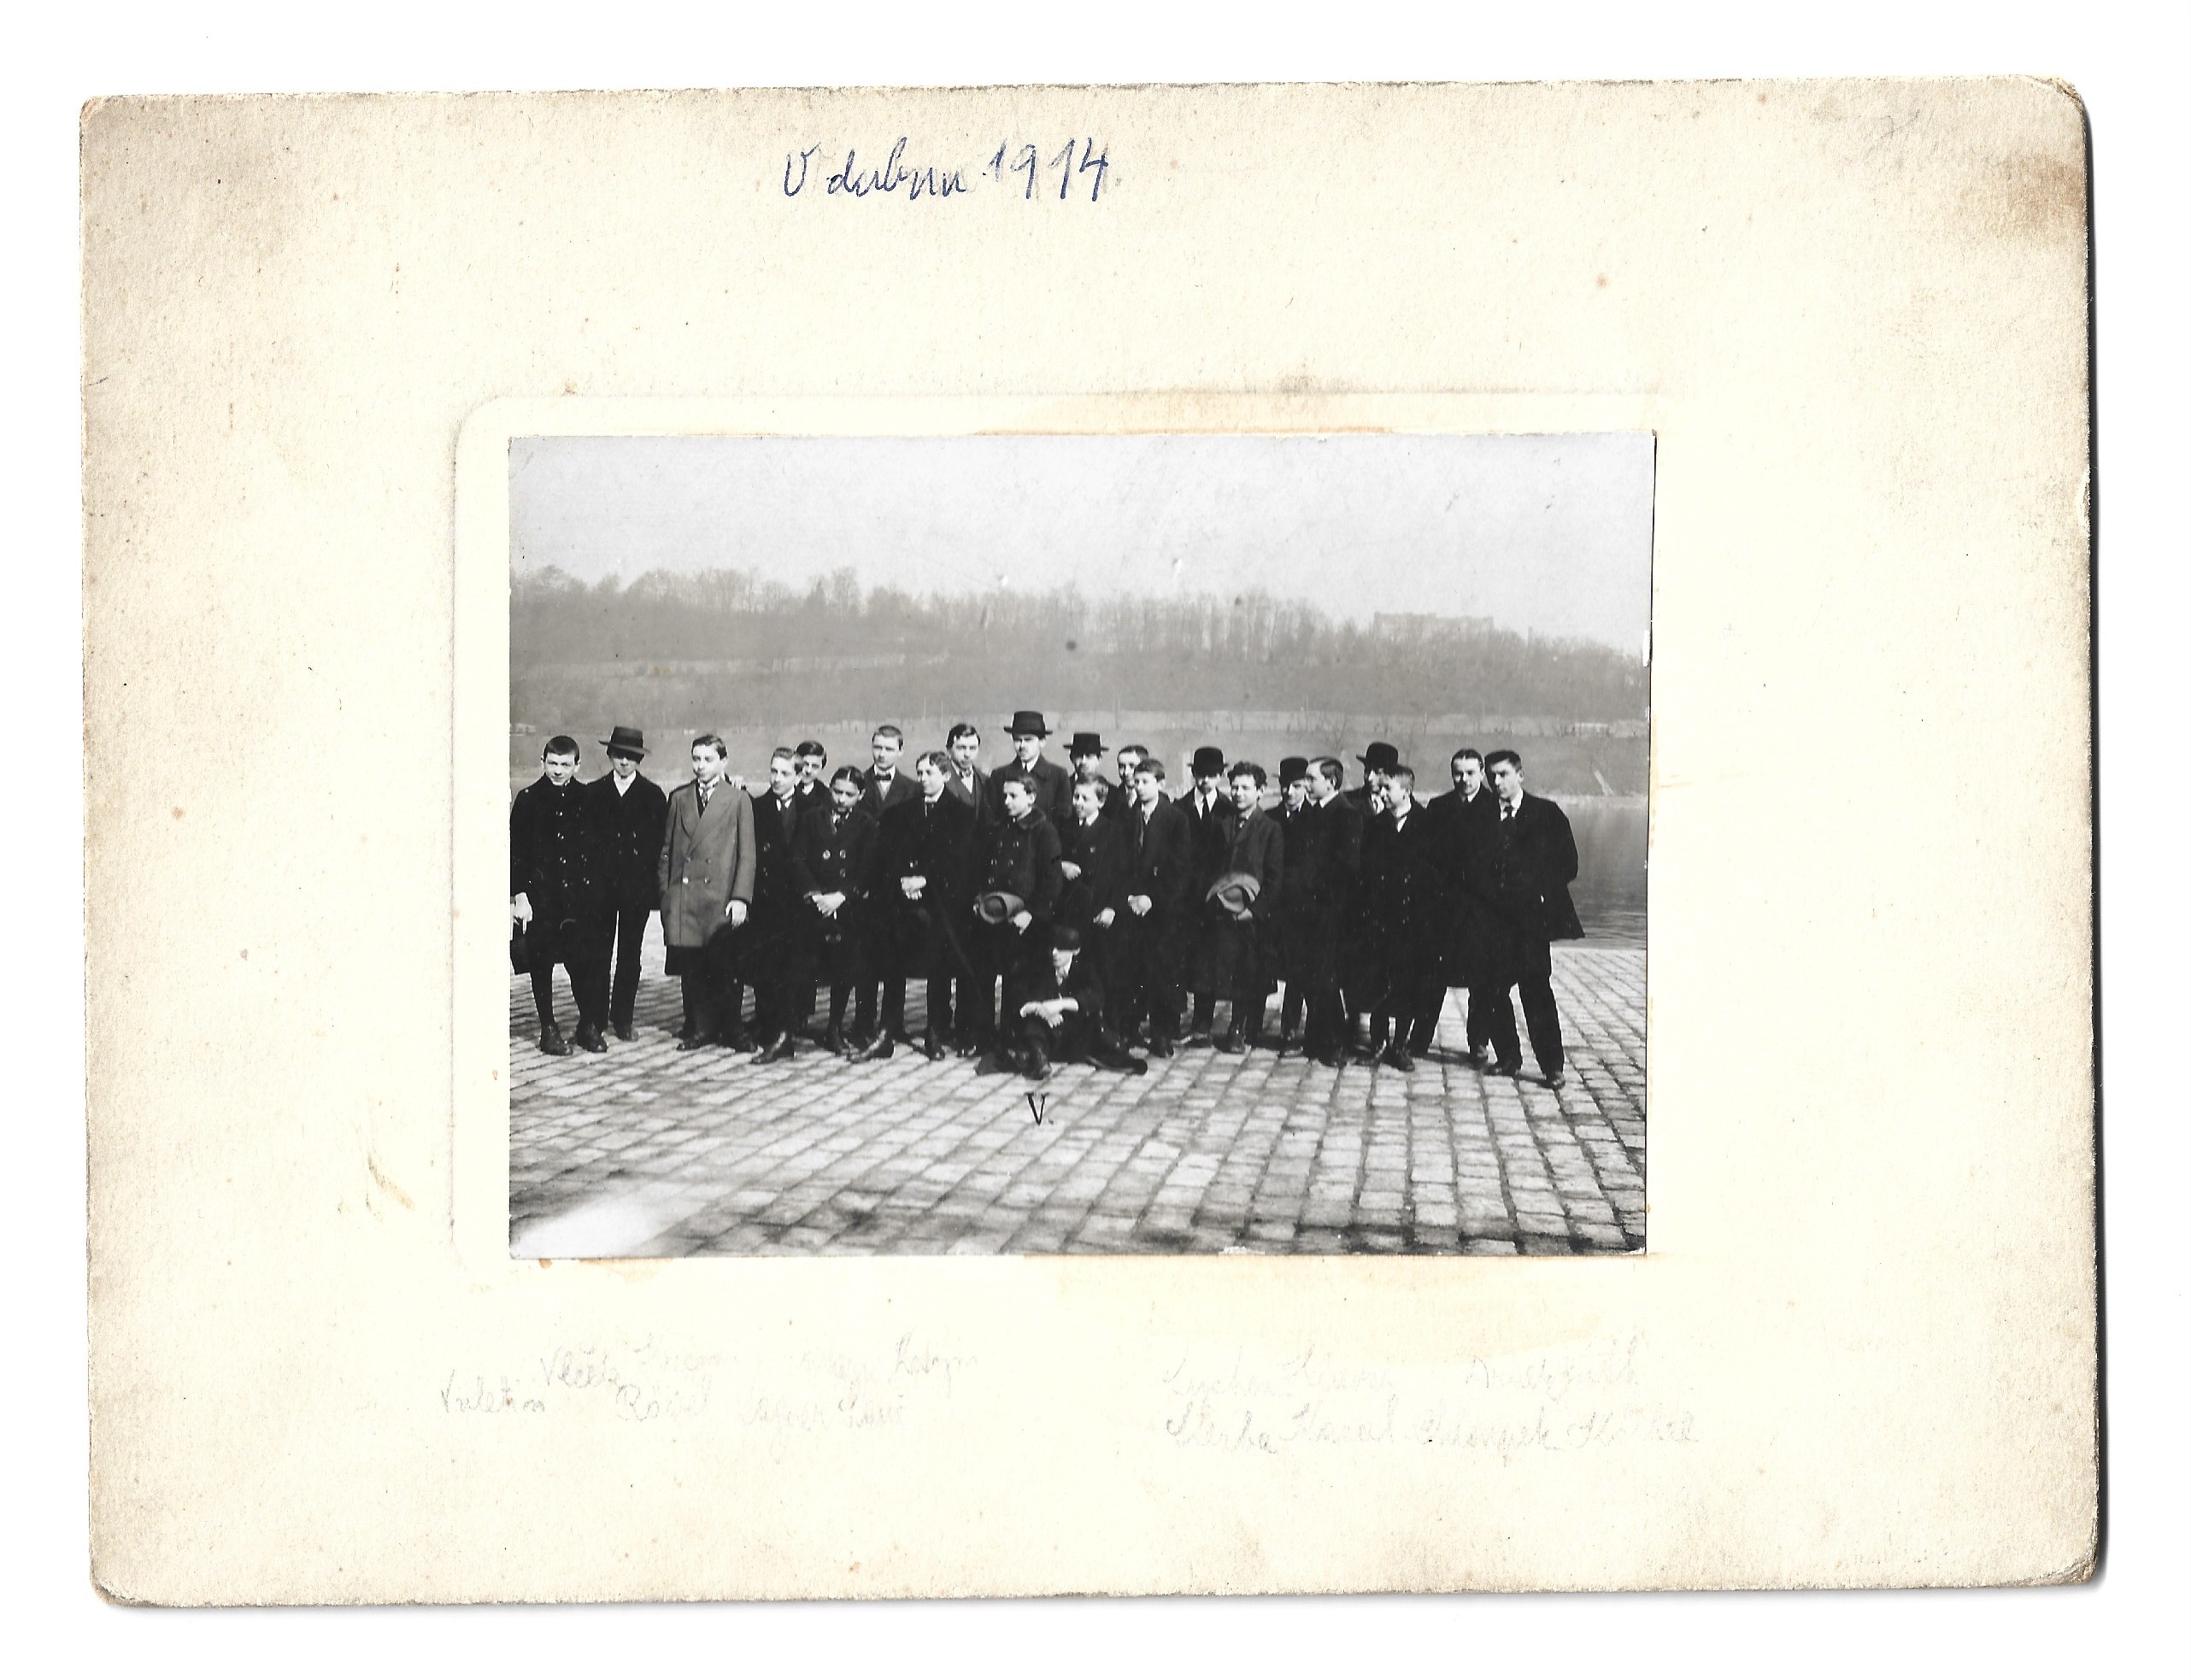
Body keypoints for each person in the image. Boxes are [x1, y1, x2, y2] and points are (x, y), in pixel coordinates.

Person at [1477, 749, 1585, 1089]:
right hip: (1493, 921)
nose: (1497, 782)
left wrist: (1538, 891)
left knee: (1536, 990)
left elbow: (1569, 864)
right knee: (1491, 991)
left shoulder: (1546, 813)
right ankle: (1508, 1057)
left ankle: (1552, 1066)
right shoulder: (1481, 817)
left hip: (1530, 923)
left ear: (1520, 776)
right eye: (1492, 776)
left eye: (1504, 775)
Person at [872, 749, 977, 1061]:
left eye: (929, 773)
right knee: (892, 950)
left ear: (945, 775)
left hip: (942, 902)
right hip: (904, 898)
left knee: (939, 955)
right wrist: (904, 881)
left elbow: (959, 861)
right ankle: (888, 1028)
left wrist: (926, 882)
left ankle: (935, 1029)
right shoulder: (902, 812)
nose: (923, 779)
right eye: (919, 773)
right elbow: (890, 855)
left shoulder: (962, 813)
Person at [656, 733, 757, 1052]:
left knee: (727, 967)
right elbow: (667, 851)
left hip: (721, 898)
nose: (701, 766)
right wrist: (667, 894)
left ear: (723, 762)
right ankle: (700, 1028)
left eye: (708, 759)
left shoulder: (738, 799)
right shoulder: (679, 798)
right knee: (693, 968)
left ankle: (732, 1029)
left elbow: (747, 854)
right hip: (685, 898)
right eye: (696, 759)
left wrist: (741, 897)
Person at [510, 736, 607, 1056]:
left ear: (577, 765)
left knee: (582, 963)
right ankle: (548, 1029)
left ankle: (587, 1025)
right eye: (552, 763)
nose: (558, 770)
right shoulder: (528, 800)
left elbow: (597, 852)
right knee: (542, 964)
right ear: (543, 762)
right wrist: (520, 896)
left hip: (578, 900)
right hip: (542, 900)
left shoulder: (588, 799)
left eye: (566, 764)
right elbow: (516, 854)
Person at [962, 767, 1063, 1060]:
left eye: (1013, 796)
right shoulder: (998, 828)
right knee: (981, 976)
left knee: (1017, 980)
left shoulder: (1044, 831)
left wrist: (1032, 913)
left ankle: (1015, 1036)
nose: (1006, 801)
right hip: (994, 914)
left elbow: (1051, 880)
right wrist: (980, 899)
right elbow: (983, 868)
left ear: (1031, 797)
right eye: (1004, 796)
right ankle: (982, 1036)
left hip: (1025, 920)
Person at [1354, 765, 1443, 1072]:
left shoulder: (1428, 824)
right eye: (1379, 788)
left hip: (1414, 922)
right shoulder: (1375, 825)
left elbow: (1436, 875)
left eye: (1387, 788)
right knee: (1380, 982)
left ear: (1406, 791)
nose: (1380, 793)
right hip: (1381, 920)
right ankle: (1378, 1044)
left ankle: (1400, 1045)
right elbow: (1365, 872)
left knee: (1409, 984)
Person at [583, 725, 669, 1043]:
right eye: (619, 755)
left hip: (636, 890)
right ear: (609, 755)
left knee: (630, 955)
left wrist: (649, 885)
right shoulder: (593, 793)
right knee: (599, 953)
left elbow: (658, 845)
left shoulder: (653, 796)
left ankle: (623, 1018)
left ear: (639, 760)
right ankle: (595, 1019)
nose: (624, 762)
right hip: (601, 890)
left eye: (631, 757)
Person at [793, 767, 882, 1055]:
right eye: (837, 792)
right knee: (800, 962)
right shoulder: (811, 819)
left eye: (849, 794)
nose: (841, 799)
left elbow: (868, 867)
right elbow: (798, 858)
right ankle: (789, 1027)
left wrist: (842, 896)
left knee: (845, 967)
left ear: (861, 795)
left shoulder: (867, 824)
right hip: (815, 903)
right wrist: (814, 894)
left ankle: (834, 1026)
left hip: (847, 906)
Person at [1419, 747, 1500, 1062]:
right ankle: (1420, 1038)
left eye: (1470, 773)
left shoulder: (1495, 807)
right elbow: (1427, 858)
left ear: (1481, 773)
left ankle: (1478, 1042)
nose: (1464, 779)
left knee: (1482, 981)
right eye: (1458, 773)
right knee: (1432, 977)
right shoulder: (1438, 807)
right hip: (1444, 909)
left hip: (1481, 911)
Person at [1201, 761, 1286, 1053]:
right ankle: (1206, 1025)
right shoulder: (1220, 824)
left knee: (1249, 973)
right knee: (1220, 968)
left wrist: (1256, 910)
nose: (1238, 793)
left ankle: (1239, 1028)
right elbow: (1209, 866)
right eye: (1234, 787)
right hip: (1222, 910)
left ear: (1261, 791)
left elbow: (1274, 876)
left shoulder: (1270, 828)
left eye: (1246, 788)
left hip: (1252, 916)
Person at [1116, 756, 1194, 1056]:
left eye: (1146, 782)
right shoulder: (1127, 817)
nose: (1139, 787)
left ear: (1161, 784)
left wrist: (1152, 898)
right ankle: (1130, 1029)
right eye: (1136, 782)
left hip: (1163, 910)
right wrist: (1128, 897)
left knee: (1163, 972)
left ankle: (1162, 1033)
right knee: (1131, 970)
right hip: (1132, 906)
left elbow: (1180, 868)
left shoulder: (1176, 819)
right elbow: (1120, 862)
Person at [1001, 925, 1147, 1079]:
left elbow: (1096, 997)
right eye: (1052, 948)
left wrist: (1061, 1004)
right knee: (1032, 1023)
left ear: (1075, 951)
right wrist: (1041, 1011)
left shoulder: (1085, 969)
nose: (1054, 953)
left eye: (1061, 949)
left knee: (1094, 1026)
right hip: (1047, 1033)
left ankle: (1031, 1055)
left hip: (1072, 1034)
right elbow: (1023, 994)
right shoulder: (1041, 968)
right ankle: (1038, 1058)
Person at [852, 725, 920, 1046]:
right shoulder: (857, 783)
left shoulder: (912, 788)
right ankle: (863, 1022)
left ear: (900, 752)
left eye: (889, 749)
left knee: (896, 957)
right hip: (864, 881)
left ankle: (892, 1023)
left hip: (896, 885)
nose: (881, 754)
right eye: (877, 747)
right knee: (864, 956)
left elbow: (916, 836)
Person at [1296, 756, 1364, 1066]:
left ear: (1332, 782)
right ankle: (1316, 1038)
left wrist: (1315, 889)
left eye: (1312, 779)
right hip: (1308, 909)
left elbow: (1347, 866)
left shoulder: (1346, 815)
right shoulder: (1311, 812)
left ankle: (1335, 1043)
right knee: (1312, 974)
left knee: (1326, 976)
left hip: (1331, 910)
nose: (1306, 784)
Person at [745, 749, 808, 1063]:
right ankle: (768, 1023)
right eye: (773, 771)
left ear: (798, 776)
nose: (777, 779)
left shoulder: (811, 809)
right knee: (764, 966)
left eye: (785, 773)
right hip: (766, 900)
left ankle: (787, 1029)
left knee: (792, 967)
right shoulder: (756, 808)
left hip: (799, 903)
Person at [1055, 772, 1130, 1012]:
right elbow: (1049, 860)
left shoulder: (1113, 831)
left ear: (1101, 802)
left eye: (1085, 798)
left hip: (1099, 914)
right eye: (1075, 796)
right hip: (1071, 915)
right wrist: (1061, 866)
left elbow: (1123, 875)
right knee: (1074, 973)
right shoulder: (1063, 829)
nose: (1077, 802)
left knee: (1104, 972)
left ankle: (1107, 1026)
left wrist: (1112, 907)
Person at [1180, 744, 1236, 1046]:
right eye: (1201, 774)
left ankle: (1202, 1023)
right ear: (1193, 774)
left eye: (1212, 775)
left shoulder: (1229, 810)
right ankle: (1174, 1020)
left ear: (1220, 776)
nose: (1205, 780)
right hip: (1186, 898)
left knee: (1209, 961)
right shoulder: (1180, 808)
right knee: (1184, 958)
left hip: (1216, 898)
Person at [1271, 755, 1315, 1053]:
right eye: (1285, 786)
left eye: (1296, 786)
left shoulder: (1315, 818)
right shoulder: (1270, 818)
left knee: (1301, 969)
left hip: (1303, 907)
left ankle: (1291, 1028)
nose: (1289, 792)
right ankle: (1248, 1025)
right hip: (1274, 904)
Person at [986, 709, 1073, 831]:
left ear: (1042, 742)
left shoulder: (1058, 776)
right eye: (1017, 740)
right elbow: (990, 820)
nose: (1022, 746)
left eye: (1028, 740)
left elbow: (1064, 822)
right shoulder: (999, 776)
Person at [941, 721, 990, 819]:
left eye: (973, 748)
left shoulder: (986, 780)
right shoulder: (938, 779)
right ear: (949, 750)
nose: (967, 754)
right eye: (961, 748)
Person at [1107, 743, 1148, 825]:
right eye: (1121, 766)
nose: (1126, 772)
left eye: (1132, 766)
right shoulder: (1109, 798)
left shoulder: (1157, 798)